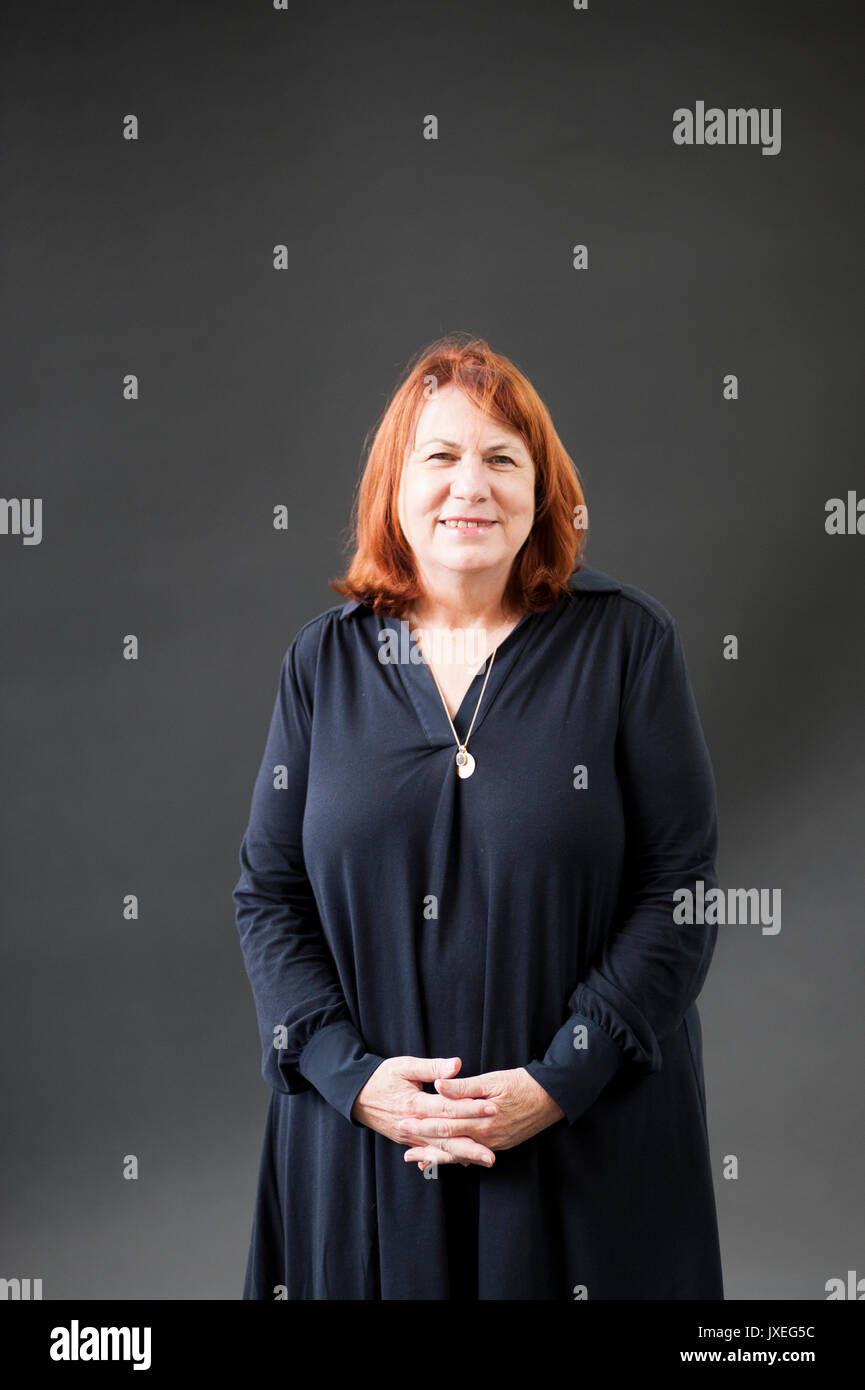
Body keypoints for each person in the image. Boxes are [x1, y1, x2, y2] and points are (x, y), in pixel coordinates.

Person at [232, 332, 724, 1300]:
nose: (472, 485)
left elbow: (684, 886)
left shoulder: (626, 642)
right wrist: (347, 1075)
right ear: (393, 487)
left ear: (542, 489)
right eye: (441, 457)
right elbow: (269, 892)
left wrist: (558, 1081)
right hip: (365, 1141)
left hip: (585, 1137)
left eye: (503, 458)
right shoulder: (321, 664)